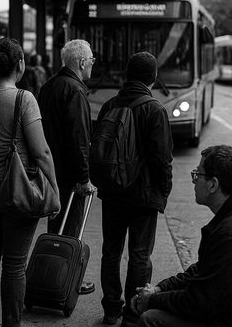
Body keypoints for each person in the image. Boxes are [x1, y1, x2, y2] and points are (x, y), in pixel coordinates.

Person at [0, 37, 58, 327]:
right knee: (15, 263)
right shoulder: (24, 99)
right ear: (20, 64)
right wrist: (54, 188)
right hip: (16, 187)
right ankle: (11, 323)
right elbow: (41, 152)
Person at [96, 52, 173, 327]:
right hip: (143, 196)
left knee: (111, 252)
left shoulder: (109, 105)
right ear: (153, 77)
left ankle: (111, 309)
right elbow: (162, 159)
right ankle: (132, 312)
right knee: (140, 255)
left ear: (127, 75)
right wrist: (162, 193)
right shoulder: (155, 109)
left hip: (113, 193)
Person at [133, 144, 232, 327]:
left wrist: (152, 300)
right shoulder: (224, 222)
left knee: (151, 319)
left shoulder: (227, 234)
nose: (194, 180)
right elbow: (203, 269)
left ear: (213, 184)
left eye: (198, 175)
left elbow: (199, 302)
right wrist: (159, 288)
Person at [38, 39, 96, 295]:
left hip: (51, 170)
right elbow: (79, 137)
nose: (92, 65)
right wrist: (84, 177)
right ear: (82, 62)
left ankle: (52, 275)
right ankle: (68, 279)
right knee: (71, 230)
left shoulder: (49, 85)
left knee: (56, 226)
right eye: (91, 61)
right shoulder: (75, 89)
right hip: (70, 174)